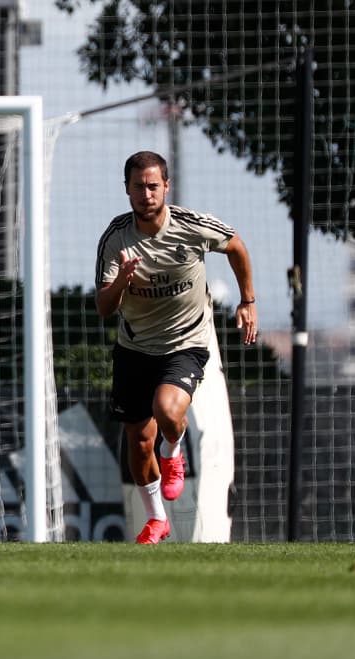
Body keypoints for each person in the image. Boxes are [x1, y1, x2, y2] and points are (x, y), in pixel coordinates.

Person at [95, 150, 257, 544]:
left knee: (167, 411)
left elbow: (235, 246)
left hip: (185, 343)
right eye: (139, 187)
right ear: (127, 190)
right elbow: (103, 307)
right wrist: (123, 281)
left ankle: (174, 451)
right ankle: (157, 519)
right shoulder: (116, 237)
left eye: (153, 186)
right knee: (138, 439)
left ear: (166, 186)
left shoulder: (191, 225)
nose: (146, 194)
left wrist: (248, 300)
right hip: (134, 349)